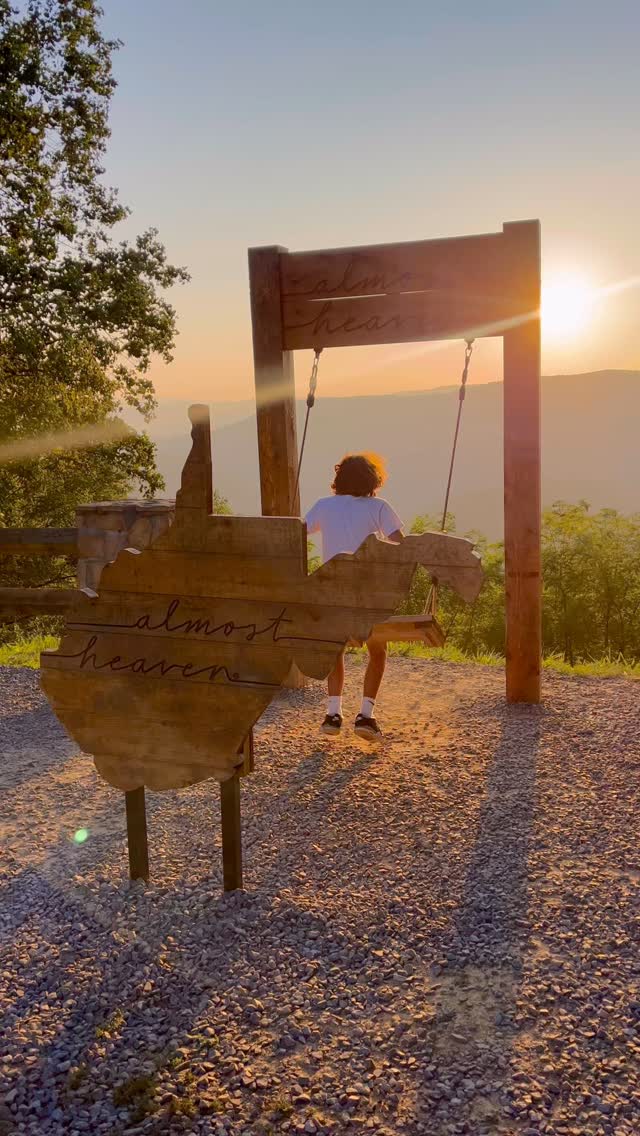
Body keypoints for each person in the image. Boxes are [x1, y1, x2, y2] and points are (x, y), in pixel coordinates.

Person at [305, 452, 404, 741]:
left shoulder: (324, 506)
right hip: (368, 594)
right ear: (373, 480)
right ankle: (366, 716)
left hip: (332, 591)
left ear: (339, 479)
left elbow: (296, 533)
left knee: (336, 650)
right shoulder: (379, 507)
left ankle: (333, 714)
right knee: (377, 651)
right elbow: (401, 543)